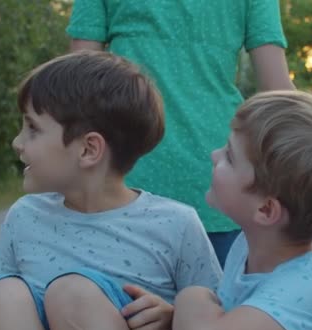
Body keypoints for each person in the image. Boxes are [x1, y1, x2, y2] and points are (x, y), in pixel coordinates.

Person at [0, 50, 222, 330]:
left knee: (75, 296)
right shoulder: (24, 216)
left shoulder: (176, 224)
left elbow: (220, 321)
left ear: (88, 150)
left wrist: (173, 319)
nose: (17, 143)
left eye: (33, 128)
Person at [66, 0, 295, 266]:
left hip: (121, 179)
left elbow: (75, 87)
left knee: (116, 304)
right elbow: (278, 92)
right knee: (217, 305)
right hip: (219, 180)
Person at [170, 91, 312, 330]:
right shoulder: (249, 245)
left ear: (266, 210)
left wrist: (192, 298)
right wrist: (173, 318)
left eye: (229, 156)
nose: (214, 156)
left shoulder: (304, 287)